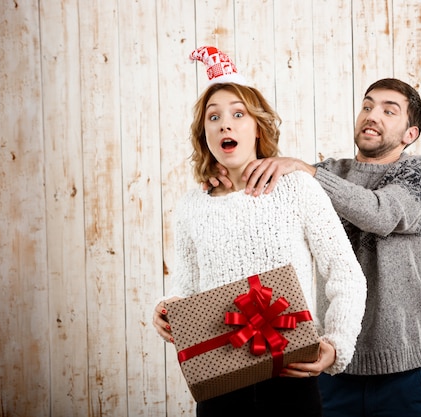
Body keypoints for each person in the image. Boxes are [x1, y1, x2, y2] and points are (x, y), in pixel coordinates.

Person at [211, 78, 421, 416]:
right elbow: (262, 200)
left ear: (410, 134)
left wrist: (308, 172)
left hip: (406, 374)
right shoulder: (325, 173)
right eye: (367, 106)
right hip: (330, 365)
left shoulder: (420, 172)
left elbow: (384, 213)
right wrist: (223, 184)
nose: (372, 115)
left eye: (388, 111)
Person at [152, 46, 367, 417]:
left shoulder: (296, 187)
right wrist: (167, 311)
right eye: (214, 117)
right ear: (205, 135)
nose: (225, 124)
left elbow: (345, 274)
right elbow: (187, 289)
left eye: (238, 114)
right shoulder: (191, 206)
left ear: (257, 128)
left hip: (292, 380)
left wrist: (335, 345)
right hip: (219, 388)